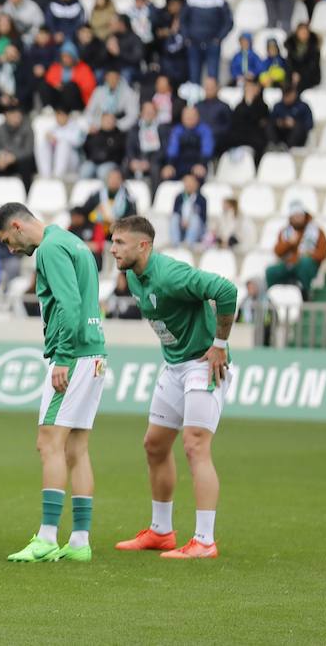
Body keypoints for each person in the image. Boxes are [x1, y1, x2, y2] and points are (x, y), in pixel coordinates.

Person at [109, 215, 235, 559]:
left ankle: (204, 541)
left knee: (195, 445)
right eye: (113, 241)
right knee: (154, 445)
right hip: (175, 365)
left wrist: (220, 344)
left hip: (204, 362)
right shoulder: (133, 275)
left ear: (143, 246)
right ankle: (161, 531)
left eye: (119, 243)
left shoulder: (170, 274)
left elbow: (226, 290)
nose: (112, 249)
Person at [0, 202, 107, 563]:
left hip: (74, 355)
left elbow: (69, 305)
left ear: (17, 226)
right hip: (94, 352)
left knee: (49, 442)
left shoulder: (50, 249)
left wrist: (63, 357)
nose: (11, 249)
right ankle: (80, 541)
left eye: (7, 240)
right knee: (77, 448)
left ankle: (46, 538)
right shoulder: (72, 242)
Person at [266, 201, 326, 299]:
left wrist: (311, 253)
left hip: (307, 264)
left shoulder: (316, 230)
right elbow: (277, 251)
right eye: (295, 216)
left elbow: (324, 252)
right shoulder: (285, 232)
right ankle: (272, 298)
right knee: (271, 271)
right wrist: (289, 243)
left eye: (300, 216)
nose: (298, 219)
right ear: (291, 218)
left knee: (304, 263)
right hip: (289, 264)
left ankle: (305, 294)